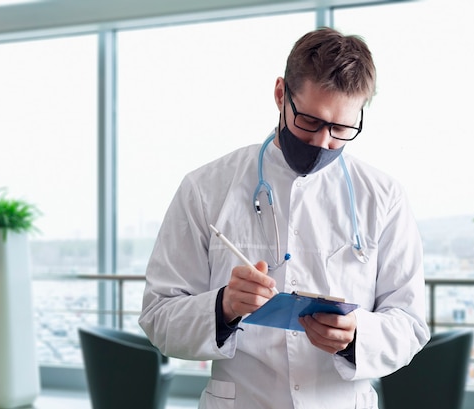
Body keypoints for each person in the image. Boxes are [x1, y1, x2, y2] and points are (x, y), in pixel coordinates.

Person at [139, 27, 429, 409]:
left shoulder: (385, 197)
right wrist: (224, 307)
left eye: (342, 129)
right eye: (310, 121)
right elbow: (159, 317)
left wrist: (357, 334)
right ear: (281, 95)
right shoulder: (205, 188)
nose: (324, 142)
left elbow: (409, 324)